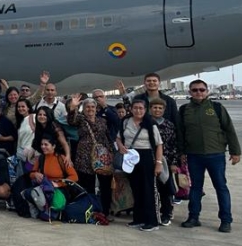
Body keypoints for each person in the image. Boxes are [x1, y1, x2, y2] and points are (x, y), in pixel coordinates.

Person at [177, 80, 241, 233]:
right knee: (195, 189)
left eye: (201, 90)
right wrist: (181, 153)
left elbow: (229, 129)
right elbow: (180, 133)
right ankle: (193, 217)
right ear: (190, 92)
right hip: (194, 155)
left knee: (221, 187)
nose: (198, 93)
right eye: (195, 90)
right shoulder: (185, 109)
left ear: (207, 91)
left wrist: (235, 151)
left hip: (216, 155)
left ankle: (226, 220)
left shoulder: (217, 108)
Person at [116, 99, 164, 232]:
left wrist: (158, 164)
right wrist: (120, 147)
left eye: (141, 108)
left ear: (145, 110)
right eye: (135, 108)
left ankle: (152, 221)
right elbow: (119, 137)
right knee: (135, 189)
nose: (138, 111)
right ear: (131, 109)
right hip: (130, 157)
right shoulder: (126, 121)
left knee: (148, 189)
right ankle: (139, 218)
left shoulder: (150, 124)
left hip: (146, 156)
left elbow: (159, 144)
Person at [66, 95, 114, 222]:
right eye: (87, 107)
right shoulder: (80, 119)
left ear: (96, 108)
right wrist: (72, 108)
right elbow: (71, 120)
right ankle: (90, 210)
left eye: (92, 107)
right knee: (88, 186)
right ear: (84, 108)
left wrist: (110, 153)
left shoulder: (102, 121)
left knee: (105, 186)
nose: (90, 109)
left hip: (102, 157)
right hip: (85, 157)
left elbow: (108, 137)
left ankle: (105, 211)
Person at [150, 97, 178, 226]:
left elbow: (173, 145)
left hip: (165, 161)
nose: (157, 110)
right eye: (155, 107)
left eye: (160, 108)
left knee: (165, 188)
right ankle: (153, 212)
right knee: (150, 189)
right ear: (150, 109)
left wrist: (174, 163)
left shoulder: (169, 125)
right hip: (149, 160)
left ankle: (166, 213)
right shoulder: (146, 123)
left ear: (164, 110)